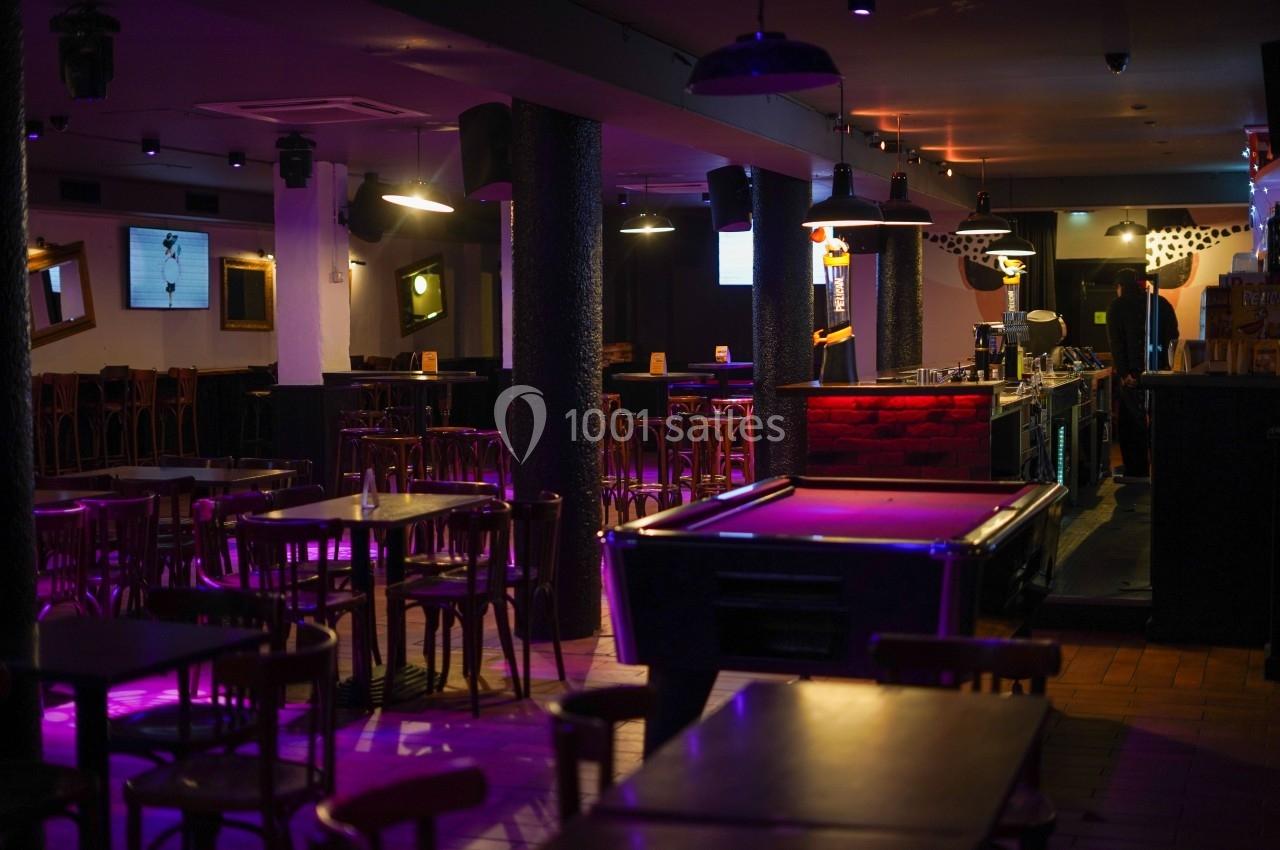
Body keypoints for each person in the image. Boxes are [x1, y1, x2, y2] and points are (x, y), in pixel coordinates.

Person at [1106, 268, 1178, 478]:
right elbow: (1173, 337)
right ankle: (1162, 473)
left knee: (1131, 426)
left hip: (1132, 375)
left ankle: (1136, 472)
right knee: (1159, 425)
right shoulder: (1160, 303)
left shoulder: (1117, 306)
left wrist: (1124, 373)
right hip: (1159, 373)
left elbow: (1116, 343)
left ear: (1120, 286)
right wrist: (1167, 366)